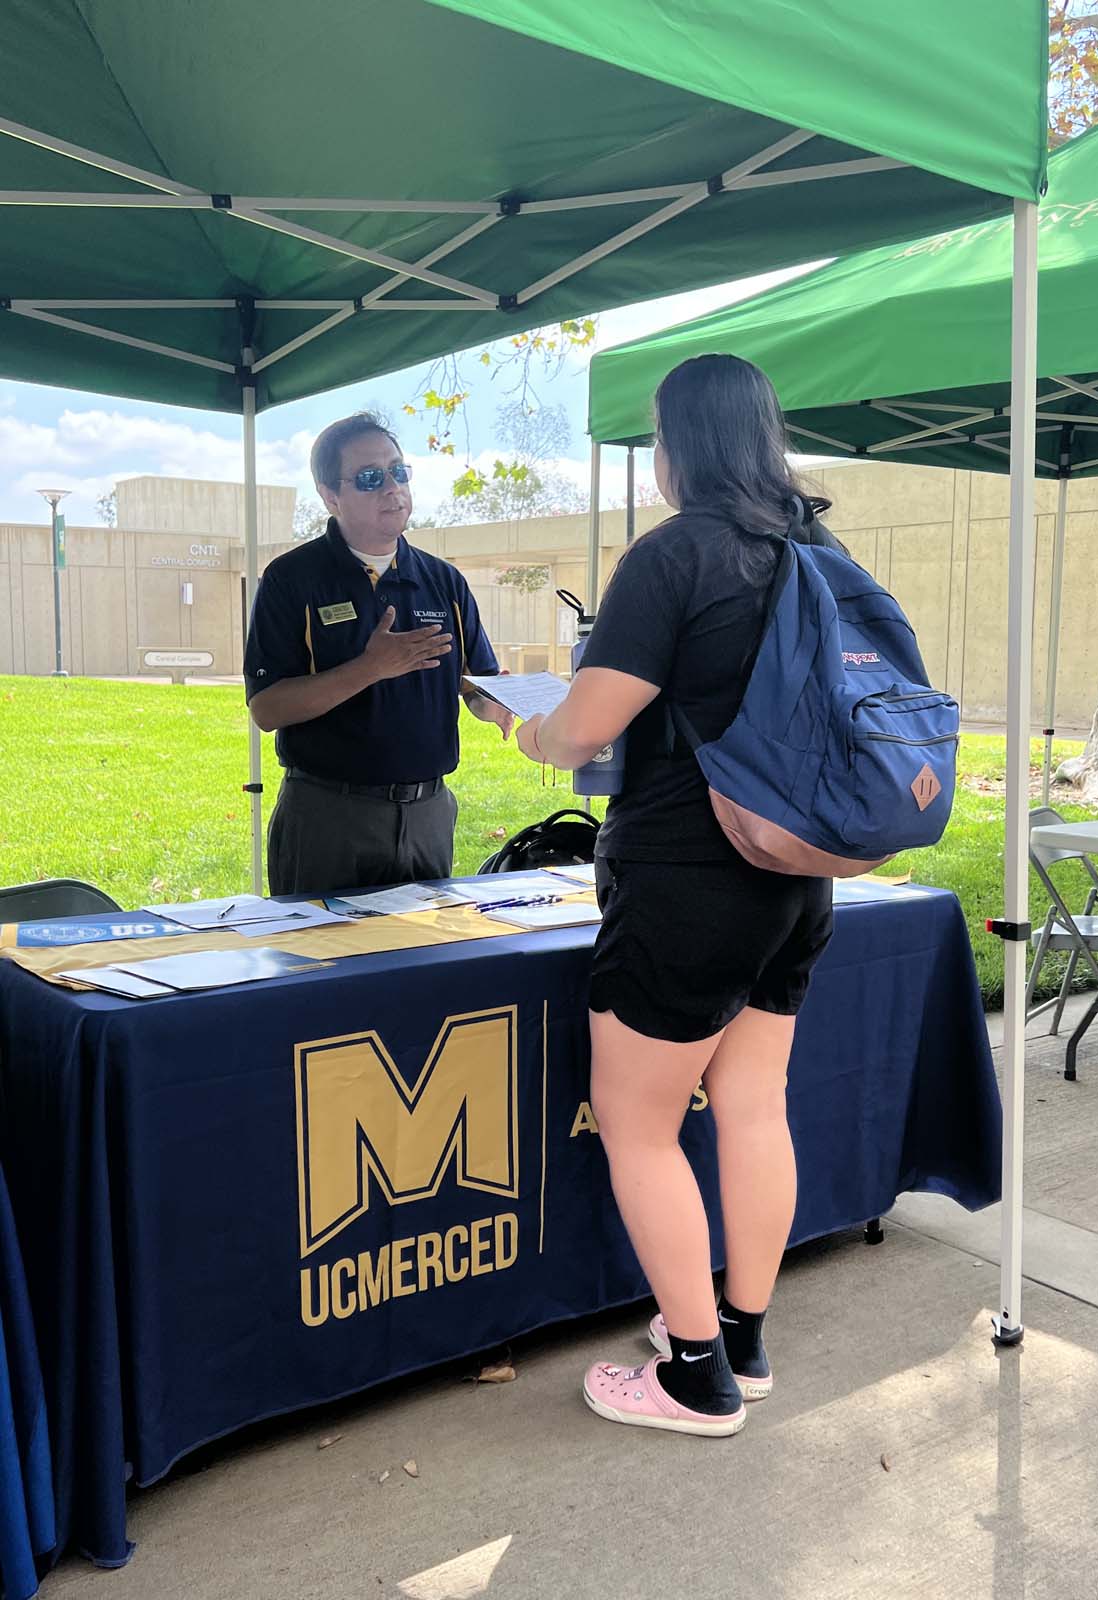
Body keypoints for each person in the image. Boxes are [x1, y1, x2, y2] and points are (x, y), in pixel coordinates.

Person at [515, 355, 834, 1437]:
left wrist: (525, 728)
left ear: (677, 446)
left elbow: (585, 730)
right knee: (754, 1104)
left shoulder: (676, 554)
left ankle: (695, 1373)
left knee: (638, 1124)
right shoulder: (814, 546)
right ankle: (741, 1332)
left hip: (688, 882)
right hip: (797, 873)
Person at [244, 411, 512, 896]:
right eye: (370, 478)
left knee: (424, 968)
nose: (392, 487)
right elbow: (267, 708)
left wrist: (500, 704)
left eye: (399, 471)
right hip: (328, 816)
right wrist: (368, 669)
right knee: (323, 966)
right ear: (331, 496)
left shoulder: (443, 580)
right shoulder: (291, 579)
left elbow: (474, 685)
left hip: (429, 812)